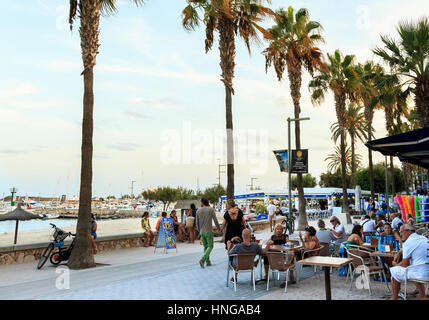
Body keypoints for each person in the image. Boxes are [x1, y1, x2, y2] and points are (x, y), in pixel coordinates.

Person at [389, 224, 429, 300]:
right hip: (426, 271)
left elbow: (405, 265)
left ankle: (394, 297)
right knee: (414, 267)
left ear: (409, 231)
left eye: (401, 232)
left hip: (422, 274)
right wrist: (400, 252)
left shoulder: (408, 243)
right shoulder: (424, 239)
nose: (400, 234)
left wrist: (395, 264)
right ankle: (422, 296)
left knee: (394, 271)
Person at [196, 198, 220, 268]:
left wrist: (199, 231)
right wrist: (219, 229)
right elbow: (215, 220)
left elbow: (196, 223)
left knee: (205, 247)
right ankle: (203, 259)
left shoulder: (198, 210)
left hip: (202, 232)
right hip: (209, 231)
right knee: (210, 246)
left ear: (202, 203)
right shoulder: (211, 209)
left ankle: (208, 262)